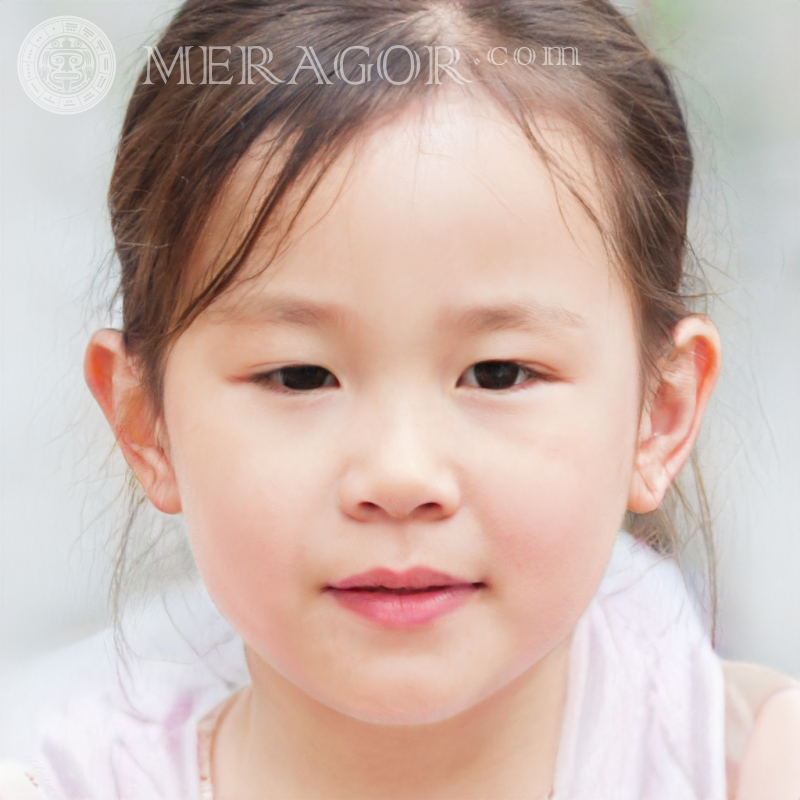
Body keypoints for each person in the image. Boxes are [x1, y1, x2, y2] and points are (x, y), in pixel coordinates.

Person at [3, 1, 798, 798]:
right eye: (299, 376)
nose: (399, 475)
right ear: (147, 425)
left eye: (498, 374)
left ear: (660, 415)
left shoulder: (748, 766)